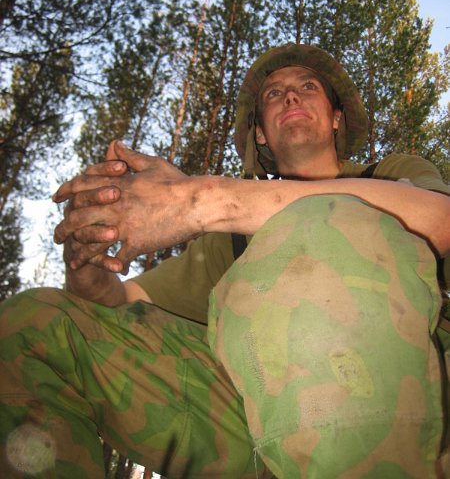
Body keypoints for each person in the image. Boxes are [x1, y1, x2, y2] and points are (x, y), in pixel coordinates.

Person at [1, 43, 449, 478]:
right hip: (245, 409)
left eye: (308, 87)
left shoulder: (393, 174)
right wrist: (88, 263)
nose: (290, 96)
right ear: (261, 134)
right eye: (274, 94)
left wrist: (200, 199)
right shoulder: (228, 243)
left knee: (318, 224)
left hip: (415, 390)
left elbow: (441, 220)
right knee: (36, 324)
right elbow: (119, 304)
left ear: (335, 118)